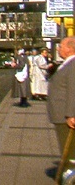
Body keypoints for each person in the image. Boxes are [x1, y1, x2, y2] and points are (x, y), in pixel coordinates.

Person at [48, 37, 75, 177]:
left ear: (69, 49)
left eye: (61, 47)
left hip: (65, 115)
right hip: (60, 113)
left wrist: (71, 114)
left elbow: (73, 90)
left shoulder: (73, 65)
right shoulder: (67, 64)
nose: (58, 49)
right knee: (65, 146)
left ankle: (70, 174)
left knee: (69, 147)